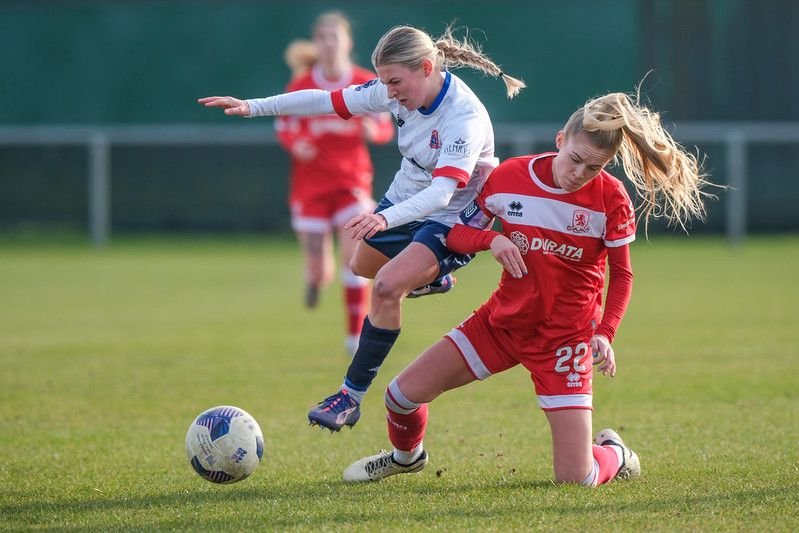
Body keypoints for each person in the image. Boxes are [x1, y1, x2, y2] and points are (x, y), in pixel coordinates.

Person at [342, 90, 712, 486]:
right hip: (501, 324)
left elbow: (622, 275)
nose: (580, 173)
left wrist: (605, 333)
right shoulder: (510, 178)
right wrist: (492, 240)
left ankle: (616, 454)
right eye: (575, 159)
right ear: (560, 140)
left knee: (577, 478)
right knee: (400, 396)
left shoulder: (610, 198)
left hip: (564, 340)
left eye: (595, 167)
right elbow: (456, 234)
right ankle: (406, 458)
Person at [199, 24, 525, 431]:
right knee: (360, 264)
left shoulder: (464, 117)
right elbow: (325, 100)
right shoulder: (394, 88)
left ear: (426, 68)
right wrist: (252, 106)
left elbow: (442, 194)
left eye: (395, 82)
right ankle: (429, 279)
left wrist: (384, 217)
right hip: (407, 194)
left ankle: (349, 397)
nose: (388, 92)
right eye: (384, 82)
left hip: (453, 213)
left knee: (386, 286)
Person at [275, 13, 394, 357]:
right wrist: (296, 143)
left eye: (334, 36)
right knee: (319, 269)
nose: (328, 43)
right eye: (323, 37)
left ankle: (354, 336)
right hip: (310, 185)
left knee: (353, 256)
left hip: (351, 181)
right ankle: (313, 280)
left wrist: (375, 131)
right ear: (316, 43)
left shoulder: (364, 82)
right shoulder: (301, 85)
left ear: (348, 42)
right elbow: (284, 126)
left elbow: (386, 126)